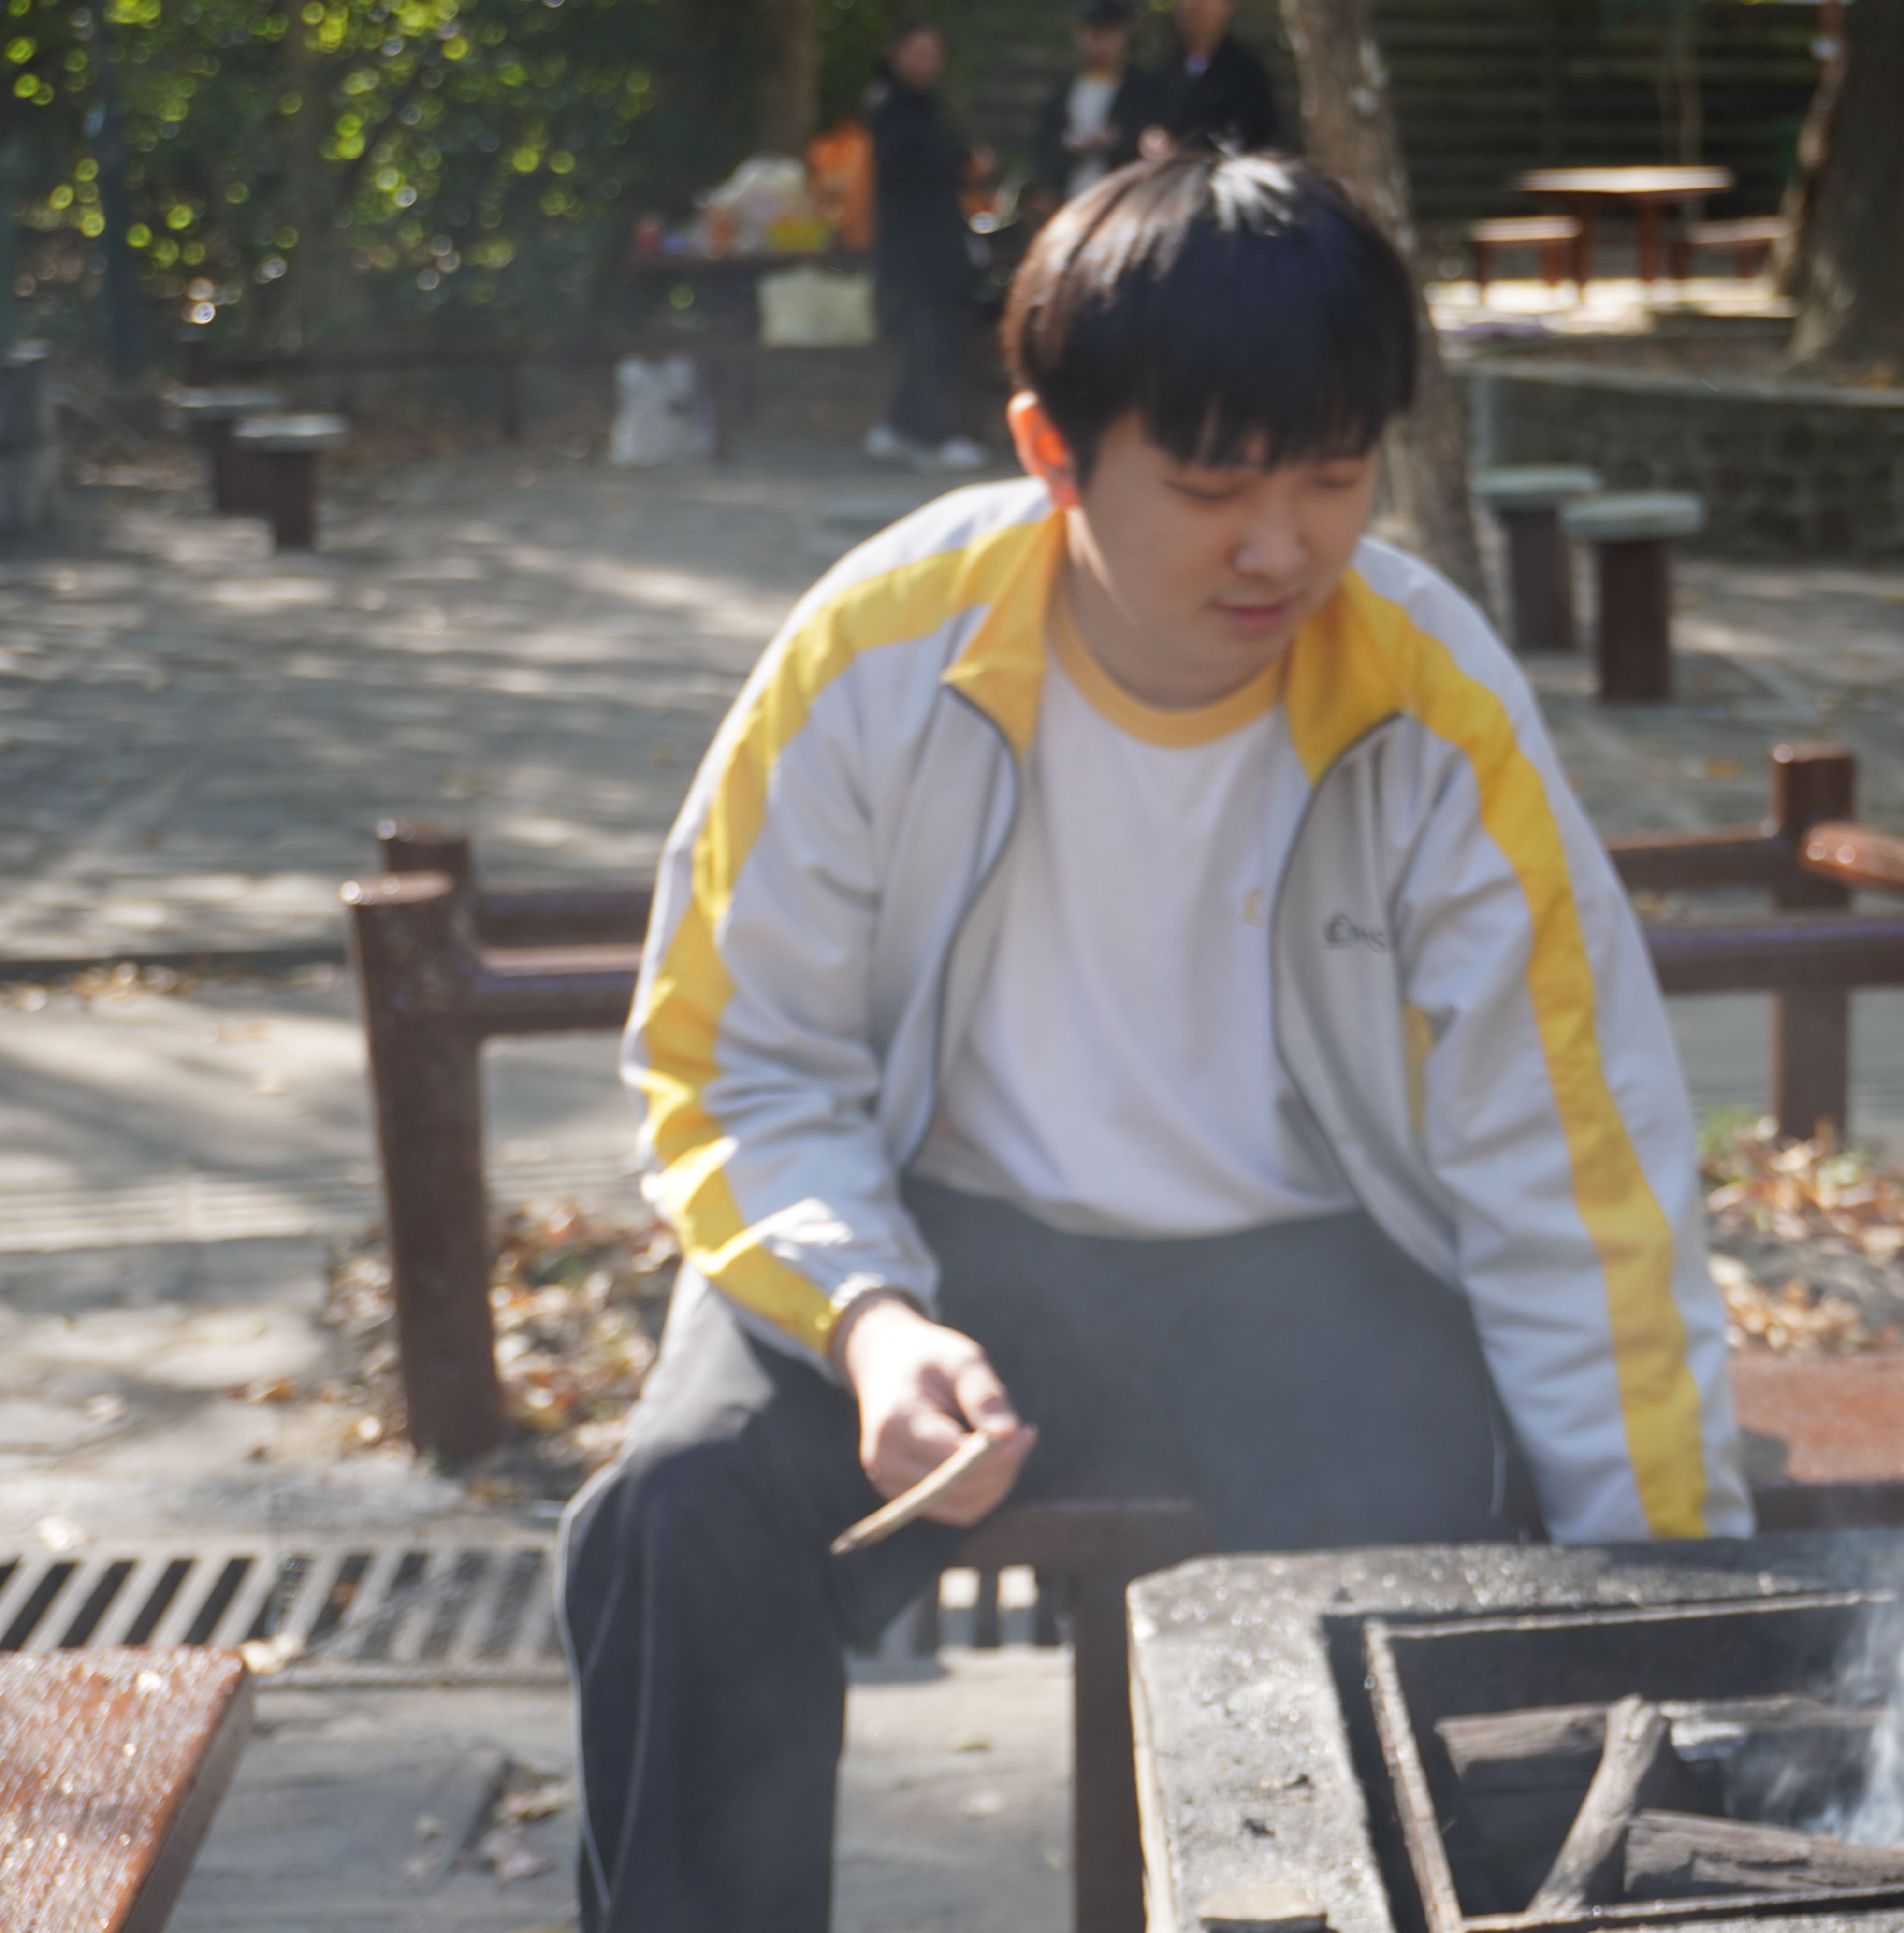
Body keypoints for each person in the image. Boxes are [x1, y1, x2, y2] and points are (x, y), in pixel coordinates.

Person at [562, 151, 1751, 1932]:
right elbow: (733, 1063)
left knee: (1413, 1545)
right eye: (1211, 484)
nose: (1281, 546)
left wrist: (1685, 1600)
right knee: (674, 1513)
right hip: (936, 1236)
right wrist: (869, 1320)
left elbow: (1573, 1167)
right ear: (1051, 452)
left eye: (1332, 475)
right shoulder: (878, 654)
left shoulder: (1431, 707)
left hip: (1304, 1260)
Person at [862, 17, 988, 470]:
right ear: (894, 53)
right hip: (911, 246)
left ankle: (899, 428)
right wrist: (959, 162)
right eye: (916, 53)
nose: (925, 63)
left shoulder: (929, 104)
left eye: (933, 54)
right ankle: (934, 436)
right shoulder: (888, 106)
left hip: (942, 240)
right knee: (926, 340)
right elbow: (909, 167)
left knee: (941, 337)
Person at [1026, 0, 1163, 214]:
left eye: (1105, 32)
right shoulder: (1063, 91)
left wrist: (1118, 139)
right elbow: (1044, 146)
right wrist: (1068, 146)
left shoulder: (1144, 90)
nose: (1097, 41)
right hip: (1071, 202)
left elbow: (1155, 143)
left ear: (1125, 35)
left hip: (1126, 203)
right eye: (1090, 31)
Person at [1138, 0, 1279, 157]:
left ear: (1227, 6)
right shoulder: (1165, 72)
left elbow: (1257, 137)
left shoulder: (1247, 73)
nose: (1191, 5)